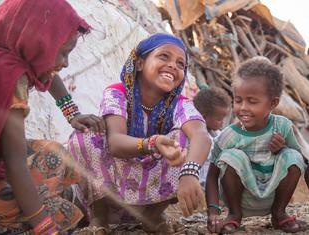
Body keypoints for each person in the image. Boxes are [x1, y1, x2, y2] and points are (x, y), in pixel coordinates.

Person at [0, 0, 104, 234]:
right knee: (56, 209)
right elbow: (14, 163)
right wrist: (43, 226)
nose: (65, 63)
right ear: (40, 42)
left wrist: (72, 113)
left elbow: (50, 70)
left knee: (56, 153)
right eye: (64, 53)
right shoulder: (8, 77)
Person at [68, 33, 212, 234]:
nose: (173, 66)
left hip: (152, 193)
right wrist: (152, 143)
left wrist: (190, 171)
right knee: (84, 136)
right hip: (112, 191)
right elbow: (116, 143)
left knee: (185, 138)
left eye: (181, 64)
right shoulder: (117, 93)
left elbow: (202, 135)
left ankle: (153, 215)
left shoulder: (181, 105)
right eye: (164, 56)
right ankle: (99, 217)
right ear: (140, 64)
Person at [206, 57, 307, 234]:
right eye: (238, 100)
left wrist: (282, 149)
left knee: (293, 155)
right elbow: (212, 175)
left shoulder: (282, 127)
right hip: (240, 199)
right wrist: (213, 212)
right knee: (230, 156)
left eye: (252, 101)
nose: (243, 107)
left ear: (273, 103)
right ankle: (234, 215)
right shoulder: (229, 135)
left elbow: (298, 164)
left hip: (273, 197)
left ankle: (279, 214)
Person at [193, 87, 231, 188]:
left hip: (212, 183)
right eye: (219, 119)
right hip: (199, 184)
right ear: (204, 117)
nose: (222, 122)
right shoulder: (192, 137)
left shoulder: (216, 133)